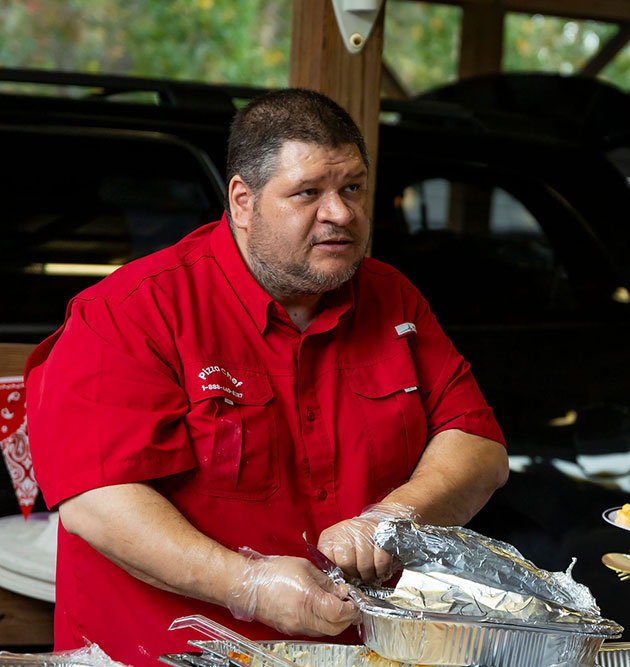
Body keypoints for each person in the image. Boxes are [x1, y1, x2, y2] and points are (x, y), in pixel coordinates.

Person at [24, 89, 508, 666]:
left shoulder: (391, 295)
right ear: (242, 201)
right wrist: (245, 585)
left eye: (352, 188)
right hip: (163, 654)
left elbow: (478, 445)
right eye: (308, 193)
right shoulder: (130, 310)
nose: (341, 214)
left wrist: (395, 518)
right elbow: (96, 501)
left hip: (358, 653)